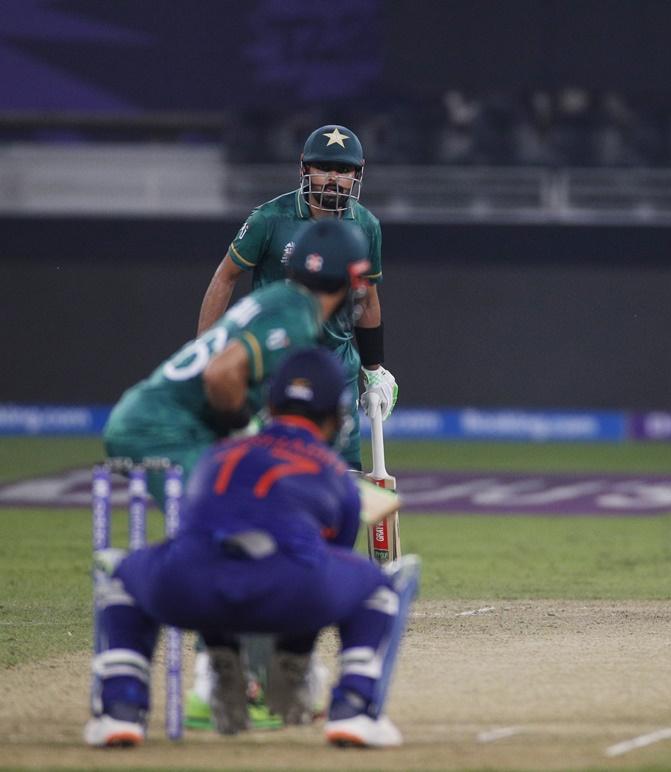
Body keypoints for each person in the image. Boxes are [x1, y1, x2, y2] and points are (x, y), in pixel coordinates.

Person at [85, 347, 420, 748]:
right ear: (335, 416)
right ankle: (353, 707)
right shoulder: (334, 474)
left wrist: (222, 643)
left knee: (116, 570)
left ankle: (121, 708)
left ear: (270, 405)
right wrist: (294, 651)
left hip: (192, 590)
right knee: (382, 581)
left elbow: (203, 540)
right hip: (290, 593)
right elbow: (324, 561)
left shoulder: (216, 456)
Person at [104, 218, 372, 507]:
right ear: (348, 278)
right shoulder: (294, 317)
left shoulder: (284, 300)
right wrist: (243, 429)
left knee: (251, 510)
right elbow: (220, 374)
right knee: (231, 517)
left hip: (159, 420)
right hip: (161, 429)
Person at [197, 124, 398, 471]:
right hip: (276, 364)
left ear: (357, 173)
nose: (334, 178)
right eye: (324, 168)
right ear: (305, 168)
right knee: (276, 476)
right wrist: (204, 352)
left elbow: (367, 298)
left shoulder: (366, 225)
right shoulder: (270, 219)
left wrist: (374, 368)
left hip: (338, 368)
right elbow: (224, 278)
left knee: (341, 481)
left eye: (344, 170)